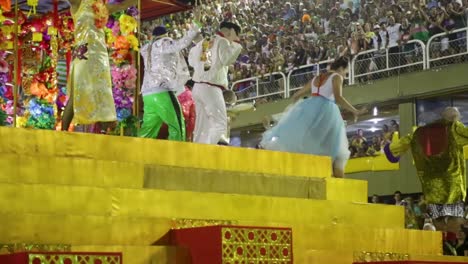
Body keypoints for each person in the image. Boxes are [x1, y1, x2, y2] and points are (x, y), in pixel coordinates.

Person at [260, 56, 367, 178]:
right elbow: (338, 98)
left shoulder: (316, 78)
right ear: (341, 68)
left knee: (314, 146)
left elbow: (297, 95)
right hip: (327, 113)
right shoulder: (337, 77)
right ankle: (338, 183)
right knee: (337, 151)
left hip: (310, 108)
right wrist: (355, 111)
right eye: (346, 71)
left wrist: (295, 111)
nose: (346, 74)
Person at [384, 107, 468, 228]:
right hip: (453, 189)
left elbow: (393, 151)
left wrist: (388, 145)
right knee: (455, 222)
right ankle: (453, 244)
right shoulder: (454, 128)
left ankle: (440, 244)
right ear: (454, 117)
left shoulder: (418, 133)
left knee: (438, 223)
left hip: (431, 191)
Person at [61, 0, 133, 131]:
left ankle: (104, 134)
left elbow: (123, 4)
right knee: (76, 93)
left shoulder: (103, 7)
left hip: (100, 57)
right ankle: (62, 132)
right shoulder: (78, 3)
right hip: (84, 53)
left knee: (103, 94)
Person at [138, 12, 202, 141]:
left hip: (148, 95)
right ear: (165, 35)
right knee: (177, 126)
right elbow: (182, 43)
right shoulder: (164, 43)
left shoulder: (146, 48)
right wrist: (195, 26)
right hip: (162, 91)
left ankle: (136, 158)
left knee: (147, 131)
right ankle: (178, 158)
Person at [189, 21, 243, 145]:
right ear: (231, 32)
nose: (235, 39)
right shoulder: (222, 41)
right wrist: (236, 43)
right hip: (211, 87)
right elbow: (226, 59)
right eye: (236, 35)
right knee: (220, 124)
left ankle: (197, 152)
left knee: (201, 127)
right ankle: (206, 150)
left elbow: (191, 61)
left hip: (197, 86)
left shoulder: (204, 41)